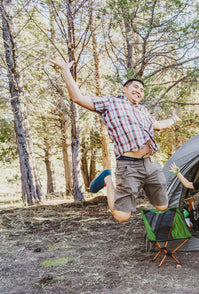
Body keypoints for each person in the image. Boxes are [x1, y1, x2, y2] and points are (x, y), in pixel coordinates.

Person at [50, 59, 180, 222]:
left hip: (151, 163)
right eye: (135, 87)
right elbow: (78, 98)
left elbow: (158, 125)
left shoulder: (143, 110)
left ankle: (140, 186)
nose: (139, 91)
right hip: (129, 165)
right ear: (124, 89)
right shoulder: (112, 102)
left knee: (162, 206)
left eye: (141, 90)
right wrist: (65, 71)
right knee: (121, 216)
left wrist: (174, 119)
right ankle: (107, 178)